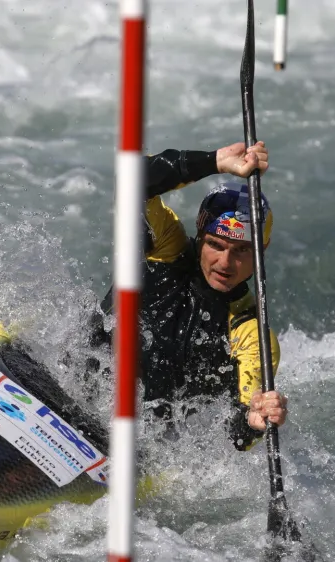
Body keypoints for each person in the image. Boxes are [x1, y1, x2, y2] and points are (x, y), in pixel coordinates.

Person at [86, 140, 288, 451]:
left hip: (143, 441)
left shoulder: (252, 335)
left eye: (242, 251)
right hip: (79, 385)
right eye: (215, 245)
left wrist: (253, 422)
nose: (225, 263)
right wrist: (214, 161)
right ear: (200, 234)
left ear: (263, 250)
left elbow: (236, 435)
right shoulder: (165, 250)